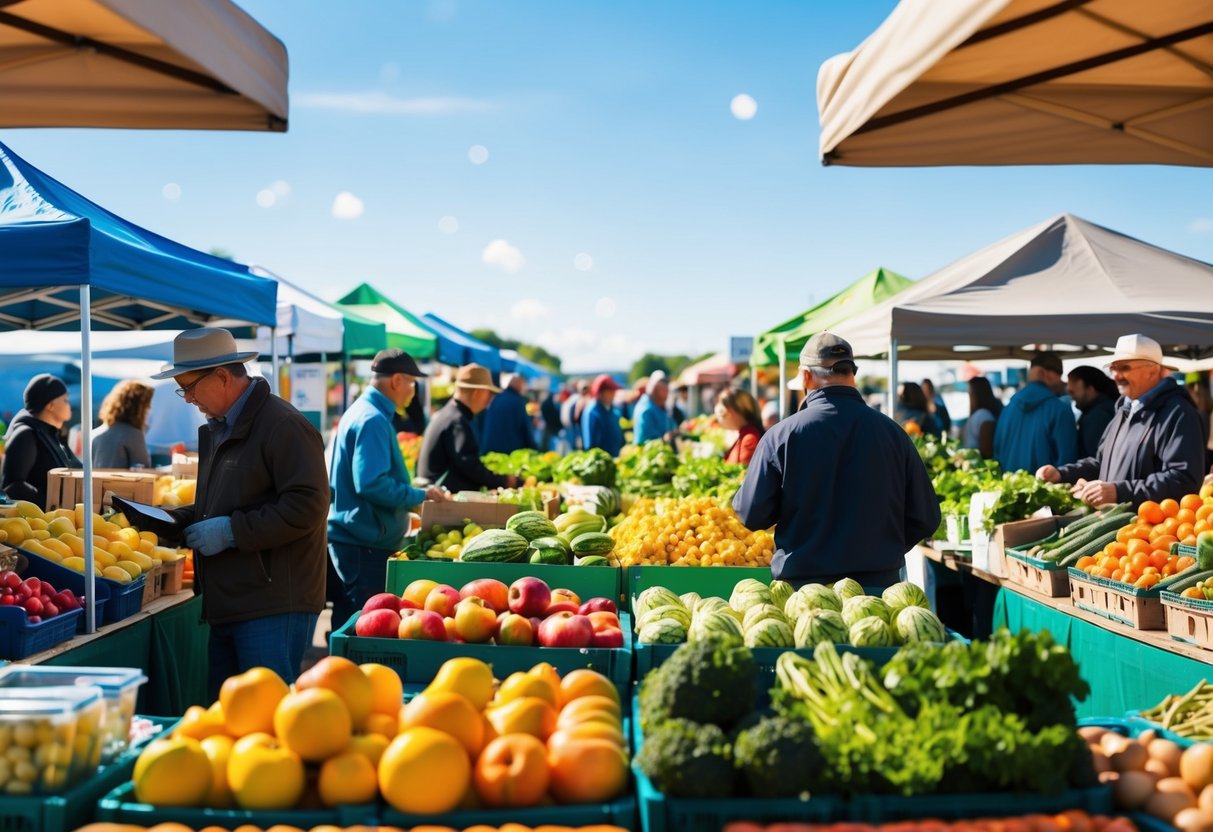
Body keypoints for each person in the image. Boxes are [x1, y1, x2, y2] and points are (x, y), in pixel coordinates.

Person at [154, 328, 329, 697]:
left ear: (221, 376)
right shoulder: (220, 428)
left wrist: (232, 531)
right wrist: (182, 519)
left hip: (272, 602)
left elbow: (309, 505)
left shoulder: (283, 425)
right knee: (232, 720)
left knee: (265, 719)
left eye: (189, 387)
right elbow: (230, 501)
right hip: (231, 600)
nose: (186, 398)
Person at [733, 332, 940, 588]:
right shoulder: (894, 433)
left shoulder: (781, 436)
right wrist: (884, 548)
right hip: (878, 591)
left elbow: (752, 514)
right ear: (852, 373)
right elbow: (927, 517)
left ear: (806, 376)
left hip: (805, 595)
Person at [328, 348, 447, 631]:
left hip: (357, 540)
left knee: (349, 621)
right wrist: (419, 496)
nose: (413, 391)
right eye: (412, 383)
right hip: (363, 544)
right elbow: (371, 483)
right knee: (359, 628)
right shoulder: (373, 419)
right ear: (395, 381)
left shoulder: (364, 412)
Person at [1039, 334, 1205, 506]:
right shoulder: (1124, 410)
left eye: (1124, 368)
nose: (1116, 376)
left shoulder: (1179, 413)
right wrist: (1062, 474)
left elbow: (1184, 480)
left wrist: (1119, 492)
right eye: (1113, 368)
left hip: (1151, 529)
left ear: (1153, 370)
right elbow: (1102, 463)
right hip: (1121, 528)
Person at [417, 364, 521, 492]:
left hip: (436, 492)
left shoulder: (450, 414)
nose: (490, 399)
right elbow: (470, 467)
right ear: (477, 393)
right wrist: (504, 481)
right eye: (489, 393)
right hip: (441, 498)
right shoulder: (458, 420)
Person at [1, 374, 80, 507]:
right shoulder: (26, 434)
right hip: (38, 524)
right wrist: (51, 504)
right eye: (65, 400)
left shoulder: (52, 435)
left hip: (60, 520)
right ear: (50, 405)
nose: (69, 405)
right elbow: (12, 485)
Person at [993, 351, 1078, 474]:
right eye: (1059, 376)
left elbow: (996, 455)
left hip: (1008, 489)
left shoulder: (1007, 409)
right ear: (1044, 373)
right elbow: (1068, 463)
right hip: (1046, 491)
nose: (1062, 383)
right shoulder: (1060, 410)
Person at [92, 380, 154, 469]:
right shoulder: (133, 435)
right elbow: (144, 470)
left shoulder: (95, 434)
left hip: (96, 483)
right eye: (147, 406)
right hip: (120, 483)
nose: (149, 410)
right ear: (139, 408)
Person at [1067, 366, 1118, 460]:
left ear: (1090, 389)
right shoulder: (1110, 408)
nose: (1071, 397)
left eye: (1072, 392)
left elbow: (1096, 459)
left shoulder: (1097, 417)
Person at [481, 373, 538, 454]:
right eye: (523, 385)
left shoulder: (497, 397)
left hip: (489, 450)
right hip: (509, 454)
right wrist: (535, 450)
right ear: (520, 385)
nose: (524, 388)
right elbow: (526, 430)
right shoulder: (518, 402)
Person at [715, 388, 763, 466]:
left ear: (730, 411)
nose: (720, 417)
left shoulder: (750, 437)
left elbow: (743, 471)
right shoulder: (746, 433)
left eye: (722, 412)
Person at [581, 374, 624, 456]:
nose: (614, 394)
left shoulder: (613, 409)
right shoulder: (592, 412)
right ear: (600, 392)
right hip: (601, 462)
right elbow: (590, 445)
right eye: (610, 391)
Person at [961, 376, 1002, 460]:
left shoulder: (983, 416)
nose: (969, 397)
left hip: (980, 470)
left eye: (970, 393)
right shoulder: (980, 415)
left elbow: (987, 452)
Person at [632, 371, 678, 446]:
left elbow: (670, 425)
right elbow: (645, 441)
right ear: (654, 390)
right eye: (662, 390)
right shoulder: (646, 409)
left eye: (666, 389)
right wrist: (664, 439)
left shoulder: (660, 406)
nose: (666, 394)